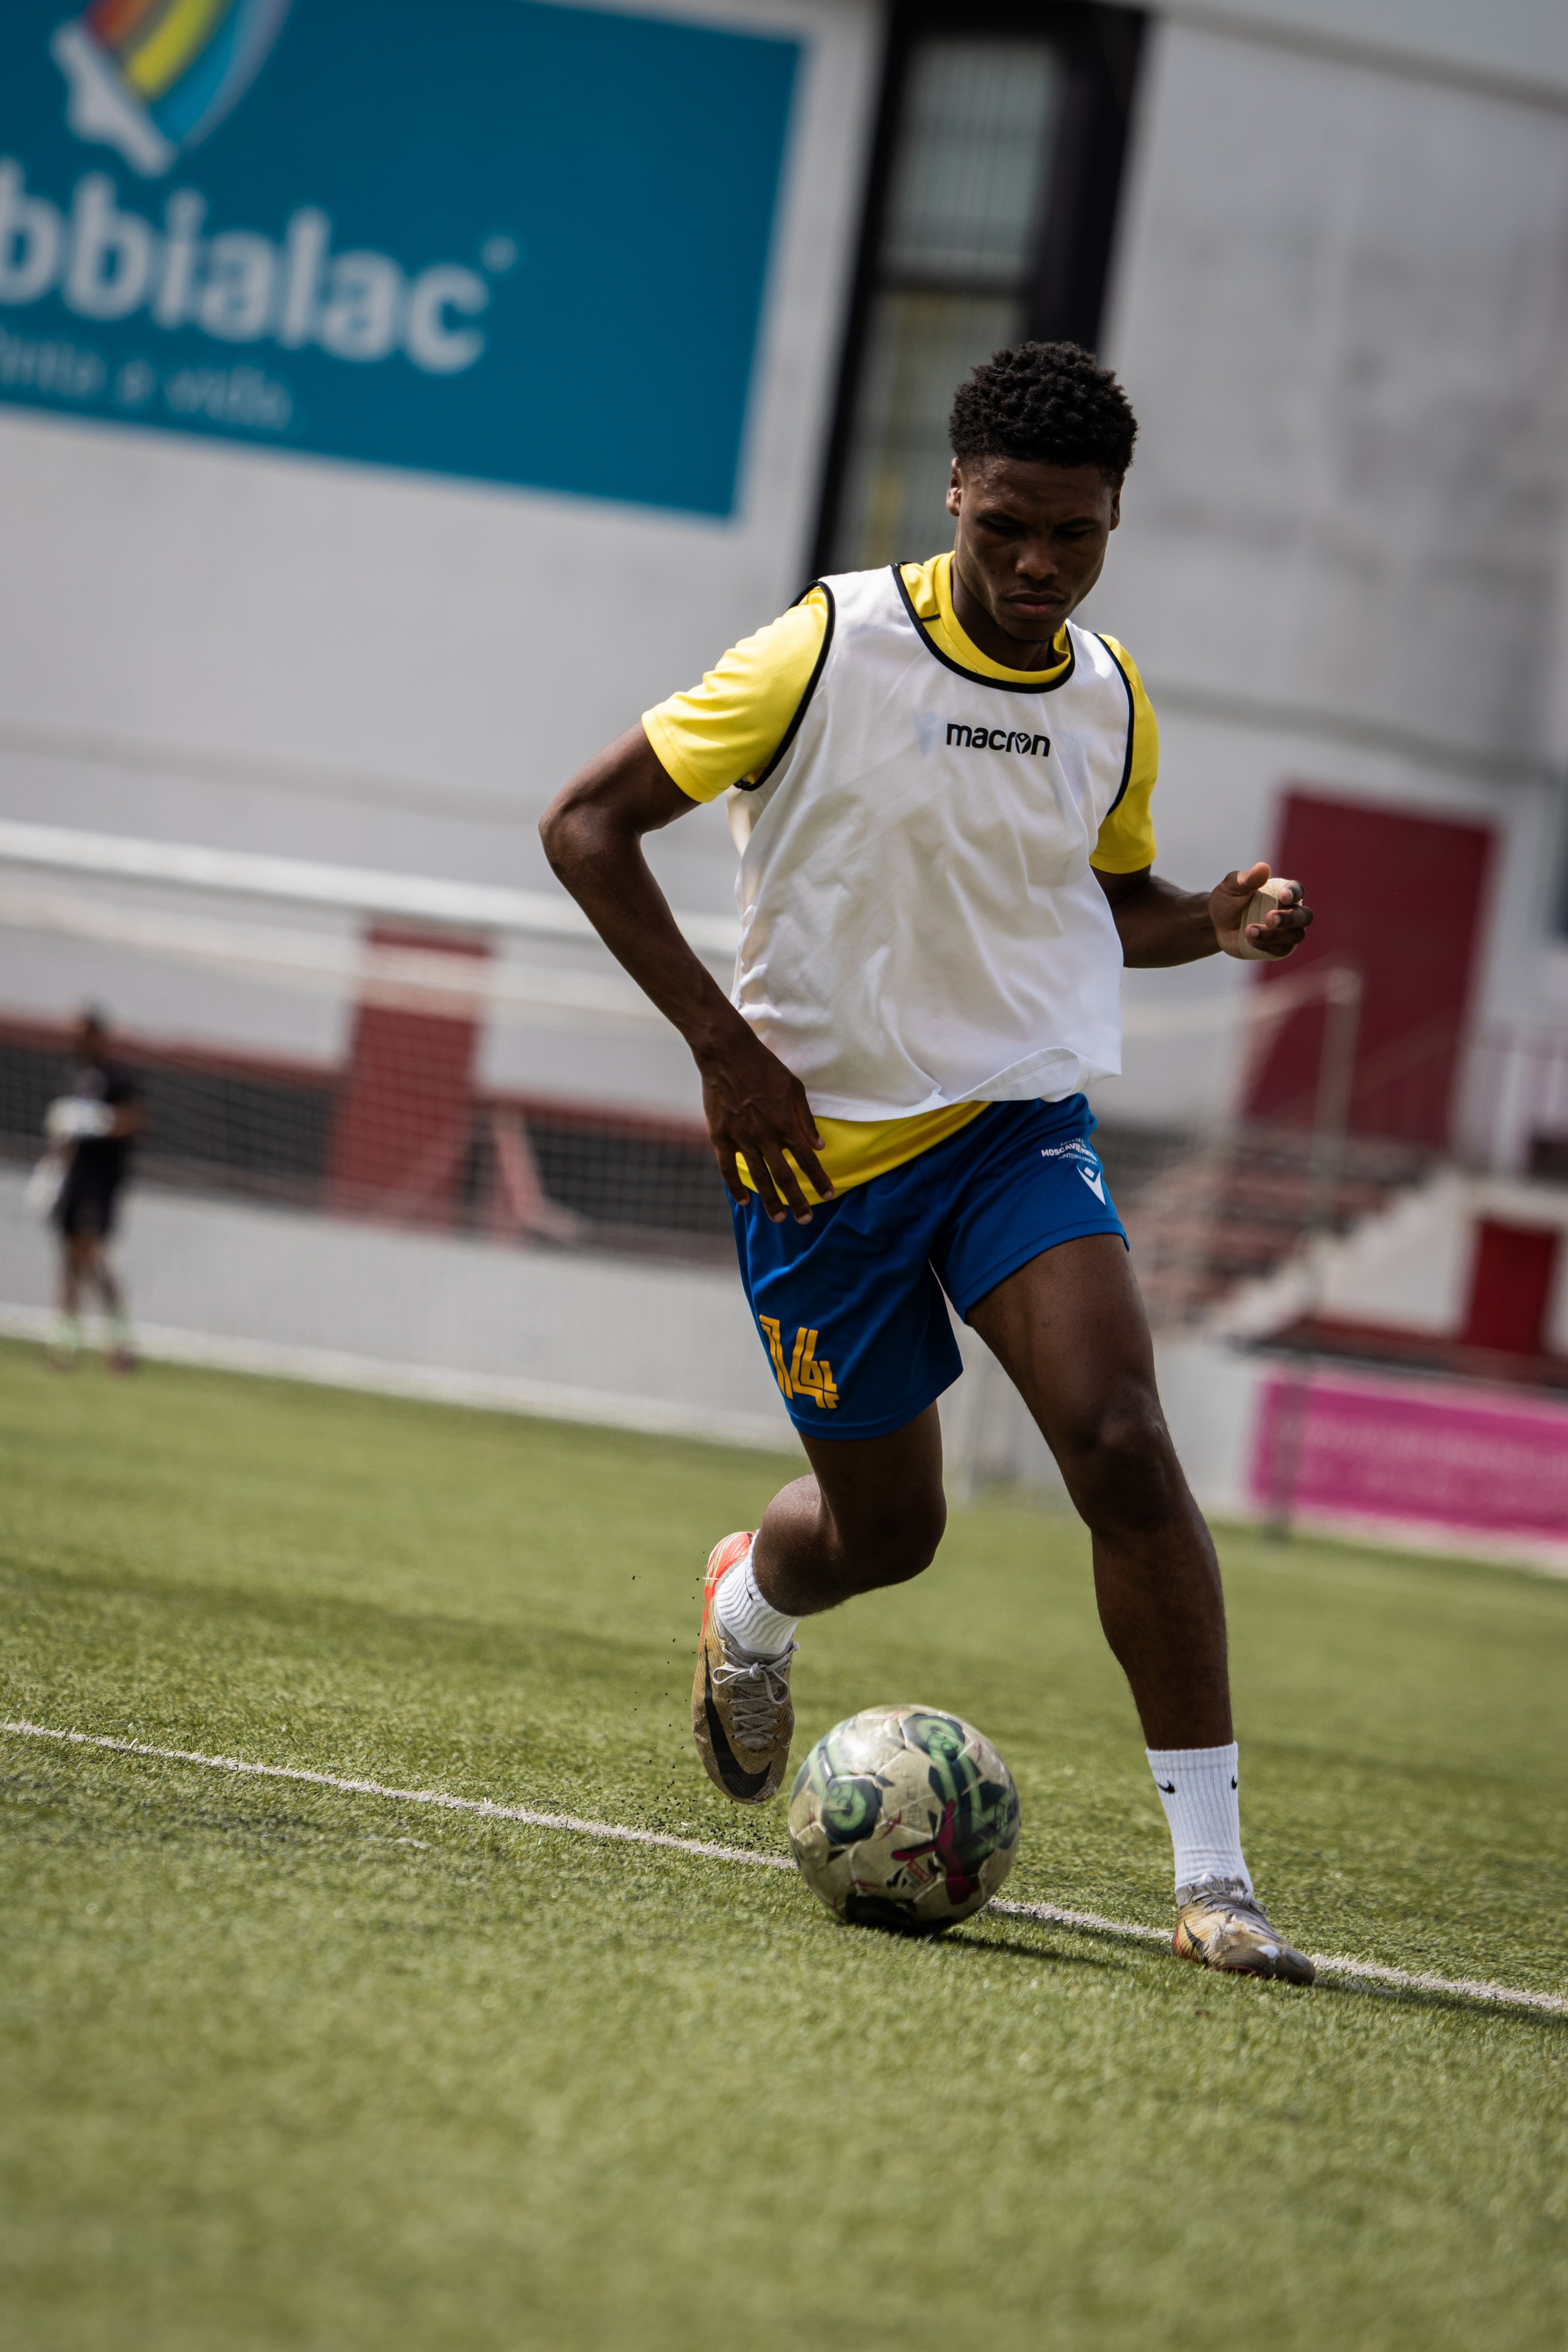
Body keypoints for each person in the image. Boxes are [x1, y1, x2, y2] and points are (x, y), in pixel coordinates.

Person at [541, 341, 1316, 1981]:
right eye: (1011, 527)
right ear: (956, 488)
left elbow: (1112, 910)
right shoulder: (823, 648)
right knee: (889, 1534)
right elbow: (586, 828)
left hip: (1013, 1129)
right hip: (816, 1161)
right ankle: (753, 1597)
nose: (1040, 568)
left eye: (1078, 537)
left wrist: (1221, 924)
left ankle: (1218, 1882)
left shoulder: (1107, 696)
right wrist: (722, 1044)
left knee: (1119, 1438)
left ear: (1115, 518)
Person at [44, 1010, 141, 1372]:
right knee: (70, 1260)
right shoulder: (73, 1075)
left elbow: (135, 1121)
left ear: (99, 1036)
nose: (75, 1042)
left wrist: (96, 1121)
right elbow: (64, 1134)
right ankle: (65, 1345)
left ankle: (119, 1343)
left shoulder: (116, 1075)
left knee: (92, 1257)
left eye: (82, 1034)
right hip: (73, 1180)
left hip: (101, 1182)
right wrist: (52, 1171)